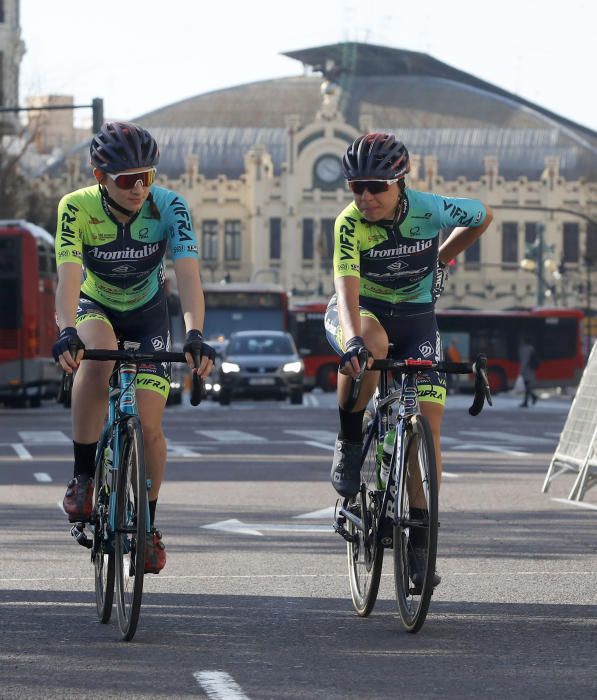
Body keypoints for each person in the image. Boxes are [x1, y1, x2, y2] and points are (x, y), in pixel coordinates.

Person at [325, 132, 494, 586]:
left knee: (427, 429)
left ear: (401, 181)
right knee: (372, 345)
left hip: (417, 318)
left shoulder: (431, 208)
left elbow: (483, 215)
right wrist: (354, 342)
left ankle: (420, 542)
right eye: (356, 187)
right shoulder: (348, 224)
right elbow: (345, 287)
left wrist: (441, 257)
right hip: (363, 311)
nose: (365, 197)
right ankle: (349, 440)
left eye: (377, 187)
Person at [53, 121, 215, 573]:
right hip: (93, 305)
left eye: (147, 176)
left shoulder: (170, 206)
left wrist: (195, 334)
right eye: (127, 180)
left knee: (149, 426)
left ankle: (147, 525)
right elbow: (66, 278)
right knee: (96, 355)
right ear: (99, 175)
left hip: (148, 312)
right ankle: (84, 476)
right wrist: (66, 329)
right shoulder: (76, 208)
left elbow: (187, 275)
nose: (139, 188)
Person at [519, 335, 539, 407]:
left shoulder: (525, 349)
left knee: (527, 386)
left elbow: (525, 361)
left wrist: (521, 371)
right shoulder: (531, 348)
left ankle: (530, 399)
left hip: (527, 370)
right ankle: (530, 399)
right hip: (530, 369)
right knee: (527, 386)